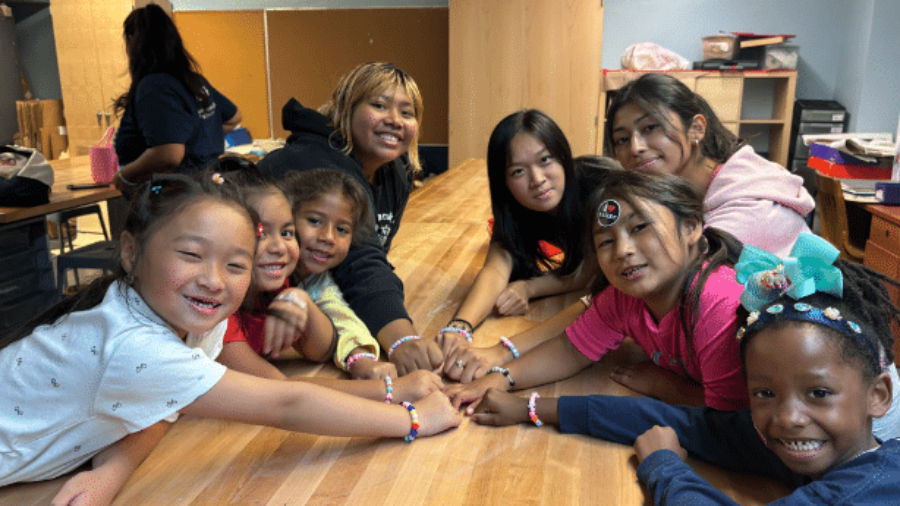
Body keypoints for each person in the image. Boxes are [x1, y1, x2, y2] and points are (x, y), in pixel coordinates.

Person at [0, 172, 460, 505]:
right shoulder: (134, 344)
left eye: (236, 265)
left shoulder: (182, 319)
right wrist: (411, 418)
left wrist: (113, 469)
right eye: (191, 255)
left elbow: (165, 406)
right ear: (130, 252)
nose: (214, 281)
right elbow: (285, 404)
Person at [471, 234, 900, 505]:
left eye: (819, 393)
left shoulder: (867, 490)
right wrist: (534, 407)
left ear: (878, 395)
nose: (788, 415)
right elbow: (679, 421)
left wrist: (663, 465)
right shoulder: (799, 442)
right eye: (764, 393)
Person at [445, 170, 749, 412]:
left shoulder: (718, 301)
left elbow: (735, 414)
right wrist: (500, 379)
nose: (623, 251)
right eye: (605, 242)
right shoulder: (625, 297)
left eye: (640, 228)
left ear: (692, 227)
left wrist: (665, 387)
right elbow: (569, 350)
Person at [259, 62, 437, 375]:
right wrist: (401, 341)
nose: (394, 120)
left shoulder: (397, 170)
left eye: (407, 113)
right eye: (379, 105)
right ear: (346, 108)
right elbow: (360, 261)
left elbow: (367, 258)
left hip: (310, 290)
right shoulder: (323, 168)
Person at [439, 111, 619, 381]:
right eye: (518, 171)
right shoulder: (514, 211)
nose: (537, 180)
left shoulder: (601, 189)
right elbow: (496, 269)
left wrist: (529, 287)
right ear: (504, 182)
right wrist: (459, 328)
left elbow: (592, 274)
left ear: (563, 156)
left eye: (545, 160)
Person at [211, 158, 392, 381]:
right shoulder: (215, 309)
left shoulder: (278, 286)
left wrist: (300, 300)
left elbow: (323, 348)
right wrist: (392, 391)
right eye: (261, 233)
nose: (278, 247)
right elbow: (278, 390)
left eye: (286, 233)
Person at [606, 72, 814, 257]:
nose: (635, 147)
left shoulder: (747, 210)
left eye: (651, 127)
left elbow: (686, 282)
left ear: (696, 128)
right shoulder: (681, 191)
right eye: (622, 139)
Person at [112, 3, 241, 191]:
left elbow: (169, 155)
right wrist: (200, 140)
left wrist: (124, 176)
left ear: (133, 40)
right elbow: (234, 118)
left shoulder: (154, 86)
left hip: (173, 195)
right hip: (202, 187)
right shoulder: (194, 81)